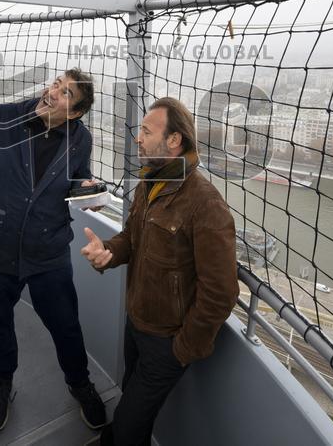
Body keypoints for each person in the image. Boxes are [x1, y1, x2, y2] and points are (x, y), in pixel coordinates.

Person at [81, 97, 238, 445]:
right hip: (135, 324)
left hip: (166, 342)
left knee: (127, 426)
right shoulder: (149, 184)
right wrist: (108, 251)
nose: (137, 137)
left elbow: (222, 292)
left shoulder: (206, 204)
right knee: (130, 407)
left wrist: (181, 349)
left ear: (173, 140)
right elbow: (131, 239)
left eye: (146, 130)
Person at [0, 68, 108, 433]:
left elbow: (75, 178)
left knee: (66, 326)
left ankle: (80, 384)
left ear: (75, 113)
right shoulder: (3, 118)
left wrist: (88, 190)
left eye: (66, 93)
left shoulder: (81, 140)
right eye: (56, 84)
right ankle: (2, 383)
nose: (54, 92)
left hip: (48, 250)